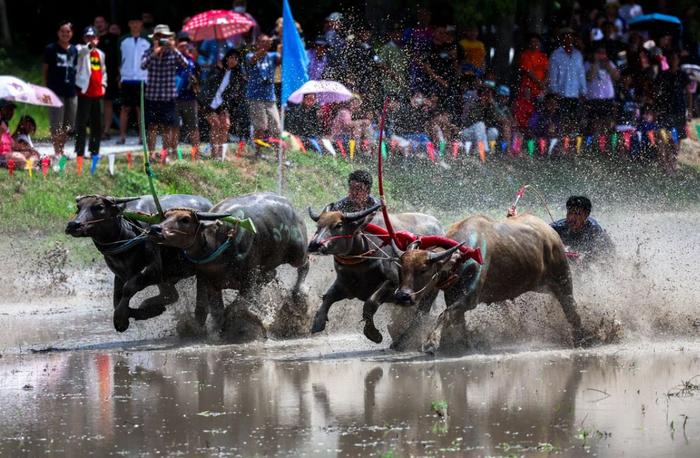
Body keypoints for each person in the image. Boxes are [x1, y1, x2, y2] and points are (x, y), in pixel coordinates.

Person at [140, 24, 189, 159]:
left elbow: (186, 65)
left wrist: (174, 48)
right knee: (152, 127)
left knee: (168, 127)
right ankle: (151, 154)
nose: (162, 39)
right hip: (152, 96)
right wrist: (155, 53)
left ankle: (164, 155)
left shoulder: (173, 53)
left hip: (169, 97)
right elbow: (142, 65)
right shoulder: (149, 51)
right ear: (154, 38)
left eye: (164, 37)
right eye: (159, 37)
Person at [199, 49, 248, 158]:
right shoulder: (217, 69)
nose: (233, 60)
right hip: (208, 103)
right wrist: (218, 70)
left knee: (225, 125)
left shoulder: (237, 73)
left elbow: (242, 83)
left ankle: (221, 154)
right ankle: (214, 153)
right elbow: (207, 83)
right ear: (226, 58)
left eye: (236, 59)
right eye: (231, 57)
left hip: (223, 104)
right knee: (215, 124)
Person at [43, 20, 77, 157]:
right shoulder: (51, 49)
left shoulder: (74, 50)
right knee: (57, 123)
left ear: (72, 33)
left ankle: (61, 148)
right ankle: (58, 152)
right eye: (62, 31)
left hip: (71, 91)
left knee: (70, 125)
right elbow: (45, 70)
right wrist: (46, 89)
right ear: (58, 33)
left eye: (68, 31)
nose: (65, 34)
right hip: (55, 91)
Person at [550, 196, 615, 265]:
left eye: (577, 214)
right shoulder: (556, 228)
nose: (571, 218)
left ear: (586, 215)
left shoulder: (594, 230)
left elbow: (604, 255)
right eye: (569, 213)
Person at [73, 27, 107, 158]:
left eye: (93, 37)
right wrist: (88, 45)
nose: (91, 39)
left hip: (98, 93)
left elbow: (103, 71)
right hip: (84, 92)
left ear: (97, 39)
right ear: (84, 38)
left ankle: (94, 151)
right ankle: (79, 151)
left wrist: (104, 85)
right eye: (88, 37)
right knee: (81, 123)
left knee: (97, 124)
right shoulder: (80, 49)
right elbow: (81, 52)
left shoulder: (101, 54)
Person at [245, 34, 281, 153]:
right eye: (262, 42)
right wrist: (265, 47)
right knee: (260, 127)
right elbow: (254, 59)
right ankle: (258, 153)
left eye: (267, 42)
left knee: (277, 127)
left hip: (270, 97)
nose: (265, 44)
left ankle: (278, 156)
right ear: (256, 44)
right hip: (255, 97)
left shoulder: (272, 56)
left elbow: (284, 57)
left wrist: (282, 40)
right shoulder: (249, 55)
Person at [118, 15, 151, 144]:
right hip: (126, 79)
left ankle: (141, 137)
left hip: (142, 79)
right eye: (133, 22)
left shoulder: (147, 41)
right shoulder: (123, 40)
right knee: (124, 108)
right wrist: (119, 76)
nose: (135, 25)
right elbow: (119, 59)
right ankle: (121, 136)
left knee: (140, 109)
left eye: (137, 22)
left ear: (141, 24)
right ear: (129, 24)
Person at [548, 28, 587, 134]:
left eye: (571, 37)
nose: (569, 39)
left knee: (574, 120)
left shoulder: (578, 55)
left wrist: (583, 91)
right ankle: (562, 143)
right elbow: (553, 74)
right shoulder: (556, 55)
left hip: (574, 93)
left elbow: (581, 74)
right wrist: (554, 91)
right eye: (566, 37)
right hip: (561, 93)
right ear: (562, 39)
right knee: (562, 120)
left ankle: (573, 143)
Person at [514, 34, 548, 131]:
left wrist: (543, 84)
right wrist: (540, 83)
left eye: (537, 41)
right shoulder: (525, 55)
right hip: (528, 89)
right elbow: (528, 71)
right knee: (526, 112)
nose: (535, 43)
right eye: (533, 41)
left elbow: (547, 72)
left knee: (539, 113)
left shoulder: (543, 56)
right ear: (529, 44)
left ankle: (537, 137)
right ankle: (524, 134)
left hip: (540, 90)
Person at [94, 16, 120, 140]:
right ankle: (96, 129)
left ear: (106, 24)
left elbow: (118, 58)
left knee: (107, 102)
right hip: (93, 76)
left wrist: (119, 74)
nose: (99, 24)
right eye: (96, 22)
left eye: (101, 22)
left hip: (109, 75)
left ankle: (106, 130)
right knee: (94, 104)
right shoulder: (91, 40)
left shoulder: (113, 39)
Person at [175, 32, 200, 154]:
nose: (184, 49)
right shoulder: (173, 61)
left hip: (190, 99)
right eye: (181, 47)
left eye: (186, 46)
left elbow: (198, 82)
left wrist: (195, 81)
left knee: (193, 127)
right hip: (175, 98)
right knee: (174, 127)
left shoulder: (193, 62)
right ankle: (173, 153)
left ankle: (196, 153)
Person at [585, 44, 619, 134]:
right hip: (594, 99)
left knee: (609, 123)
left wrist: (609, 67)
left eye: (603, 53)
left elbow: (617, 77)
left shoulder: (609, 63)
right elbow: (589, 78)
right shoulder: (588, 64)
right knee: (595, 124)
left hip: (607, 98)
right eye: (599, 52)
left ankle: (608, 145)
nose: (601, 54)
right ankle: (595, 145)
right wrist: (596, 63)